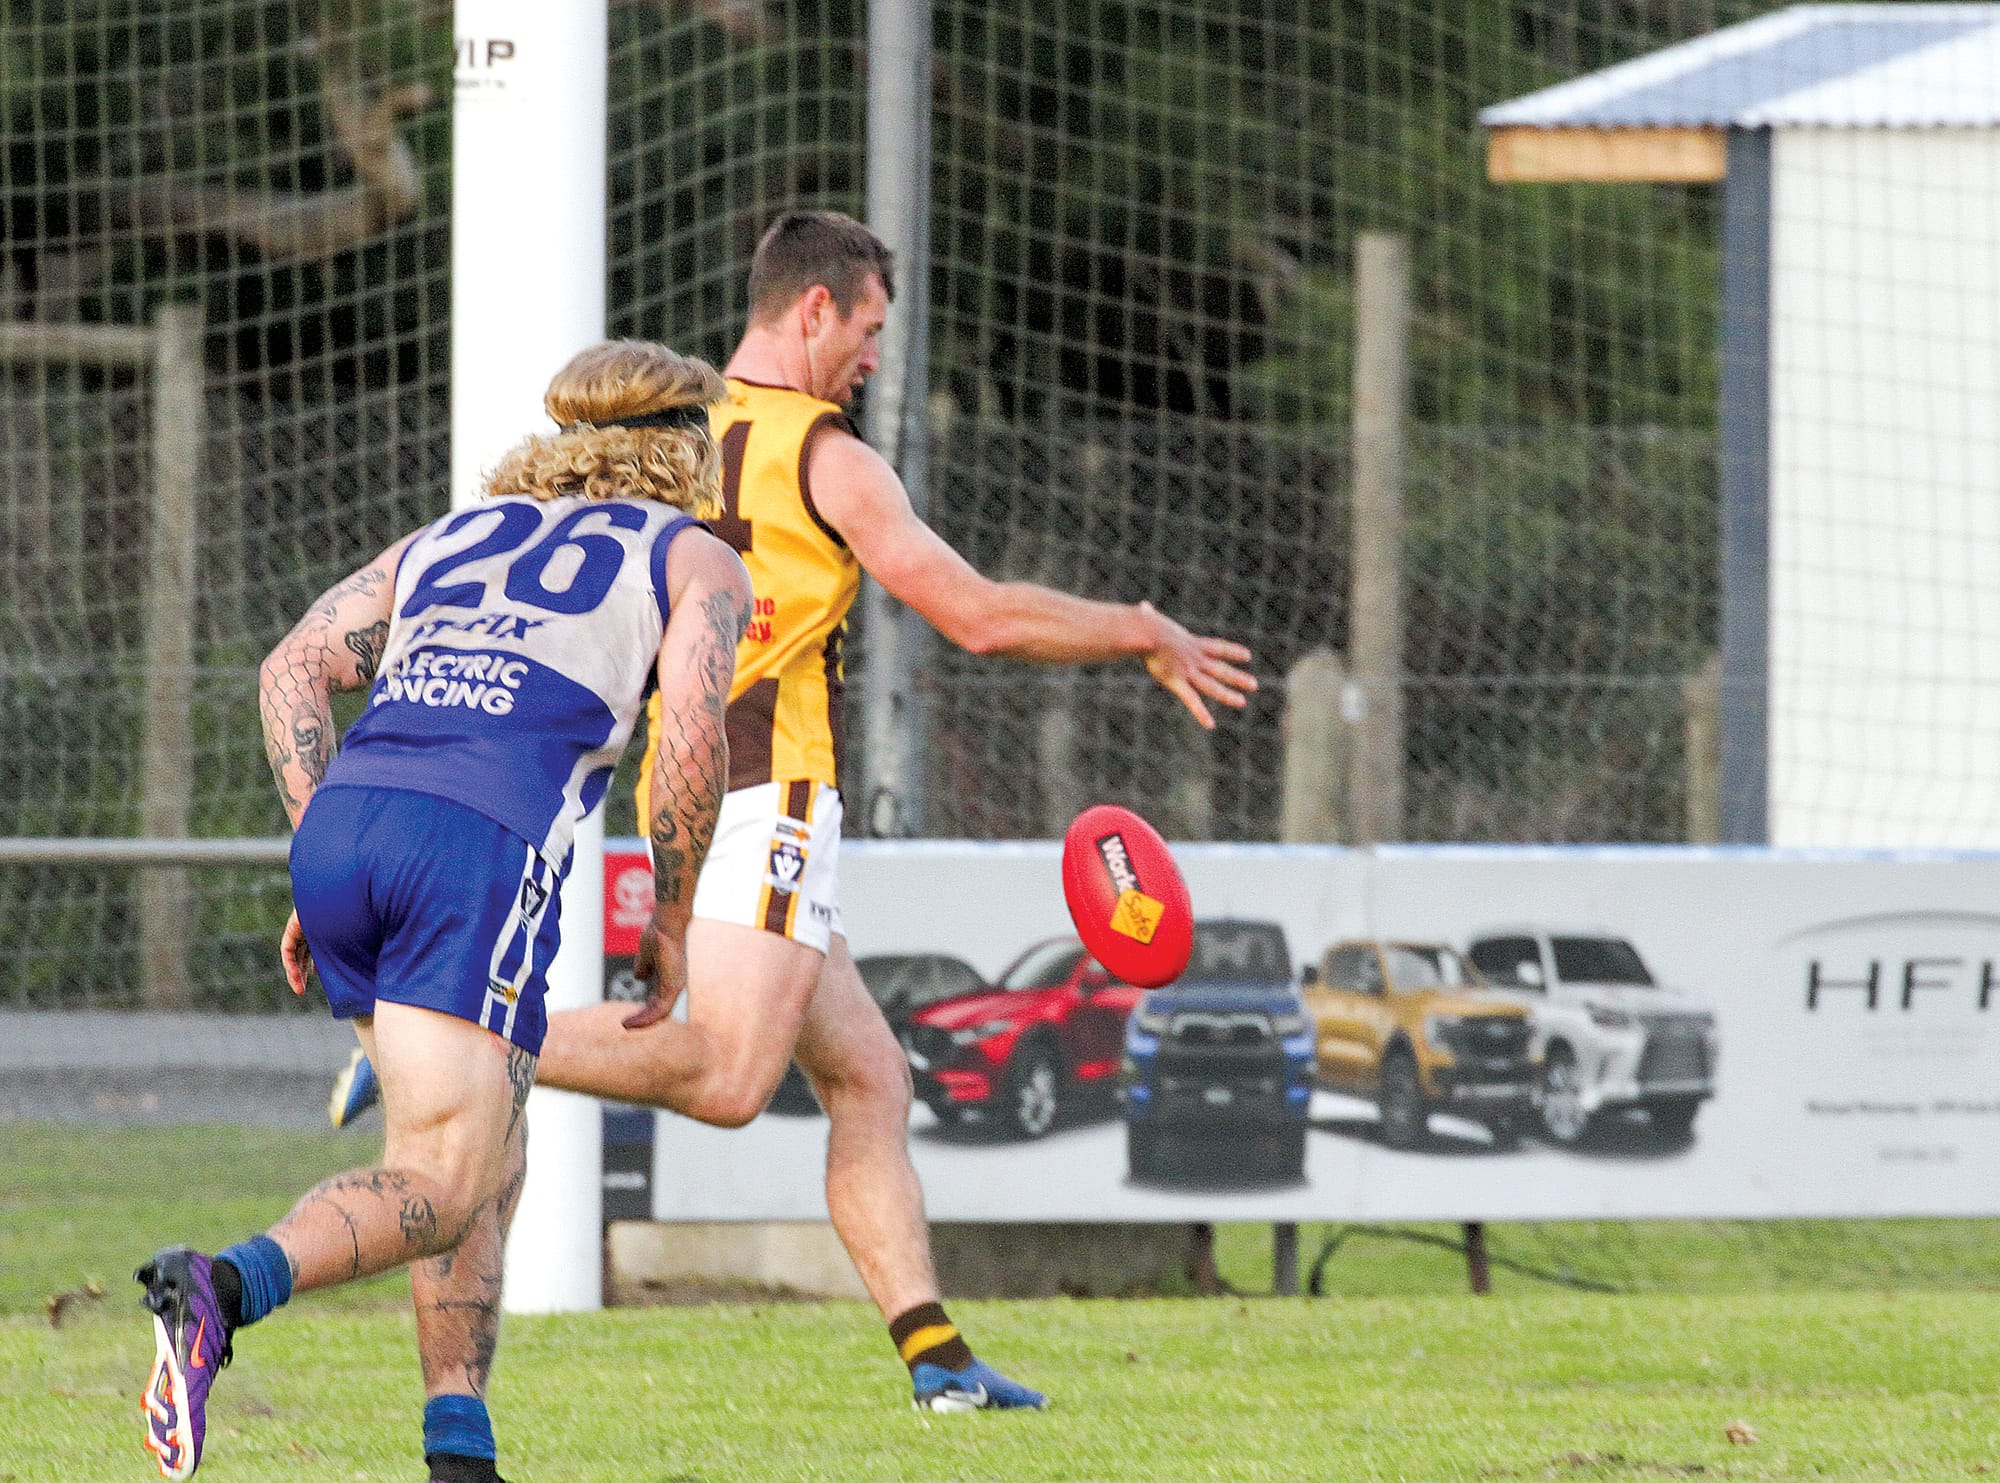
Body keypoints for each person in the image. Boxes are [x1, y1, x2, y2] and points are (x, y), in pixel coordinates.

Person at [332, 210, 1258, 1412]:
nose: (876, 355)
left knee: (870, 1077)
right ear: (812, 309)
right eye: (869, 328)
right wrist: (1138, 627)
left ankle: (941, 1366)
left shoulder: (658, 436)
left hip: (685, 773)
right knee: (724, 1076)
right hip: (773, 790)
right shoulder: (825, 453)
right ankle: (457, 1033)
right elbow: (970, 612)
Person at [138, 342, 752, 1482]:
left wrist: (317, 844)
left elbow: (290, 669)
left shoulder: (448, 537)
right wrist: (670, 917)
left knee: (489, 1145)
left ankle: (457, 1448)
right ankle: (219, 1290)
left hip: (348, 826)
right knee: (441, 1177)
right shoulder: (693, 557)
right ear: (686, 452)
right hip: (475, 843)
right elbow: (692, 747)